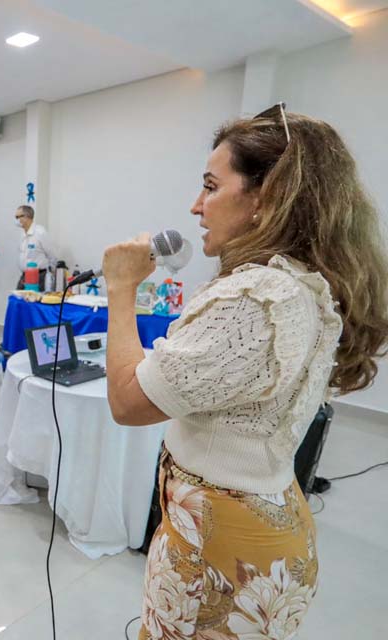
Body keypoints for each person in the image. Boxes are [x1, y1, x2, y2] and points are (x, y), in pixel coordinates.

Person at [101, 108, 388, 639]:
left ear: (267, 198)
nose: (195, 205)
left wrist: (121, 289)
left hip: (222, 547)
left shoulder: (256, 298)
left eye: (210, 187)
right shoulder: (300, 285)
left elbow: (126, 401)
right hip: (260, 522)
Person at [14, 205, 57, 288]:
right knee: (17, 299)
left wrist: (50, 275)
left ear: (27, 217)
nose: (16, 220)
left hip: (39, 277)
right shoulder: (22, 234)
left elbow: (53, 256)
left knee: (35, 300)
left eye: (17, 217)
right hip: (24, 276)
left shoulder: (40, 232)